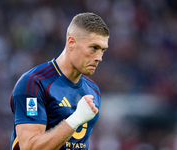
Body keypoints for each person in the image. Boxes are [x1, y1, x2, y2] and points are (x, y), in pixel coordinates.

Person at [10, 12, 109, 150]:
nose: (99, 57)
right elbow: (29, 147)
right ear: (71, 42)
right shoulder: (34, 83)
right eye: (94, 48)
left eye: (103, 50)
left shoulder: (92, 90)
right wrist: (76, 119)